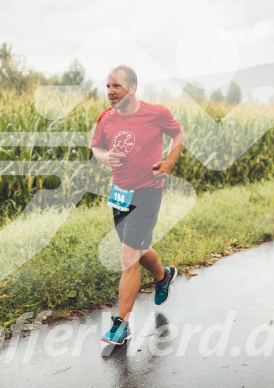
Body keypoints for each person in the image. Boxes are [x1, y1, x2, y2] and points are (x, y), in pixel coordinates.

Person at [91, 65, 186, 345]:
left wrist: (169, 162)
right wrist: (106, 157)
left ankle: (121, 325)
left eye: (116, 86)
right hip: (119, 193)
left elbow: (179, 136)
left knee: (128, 255)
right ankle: (163, 276)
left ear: (132, 88)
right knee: (138, 248)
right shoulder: (105, 118)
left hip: (148, 191)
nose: (110, 92)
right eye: (108, 86)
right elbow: (96, 148)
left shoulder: (156, 113)